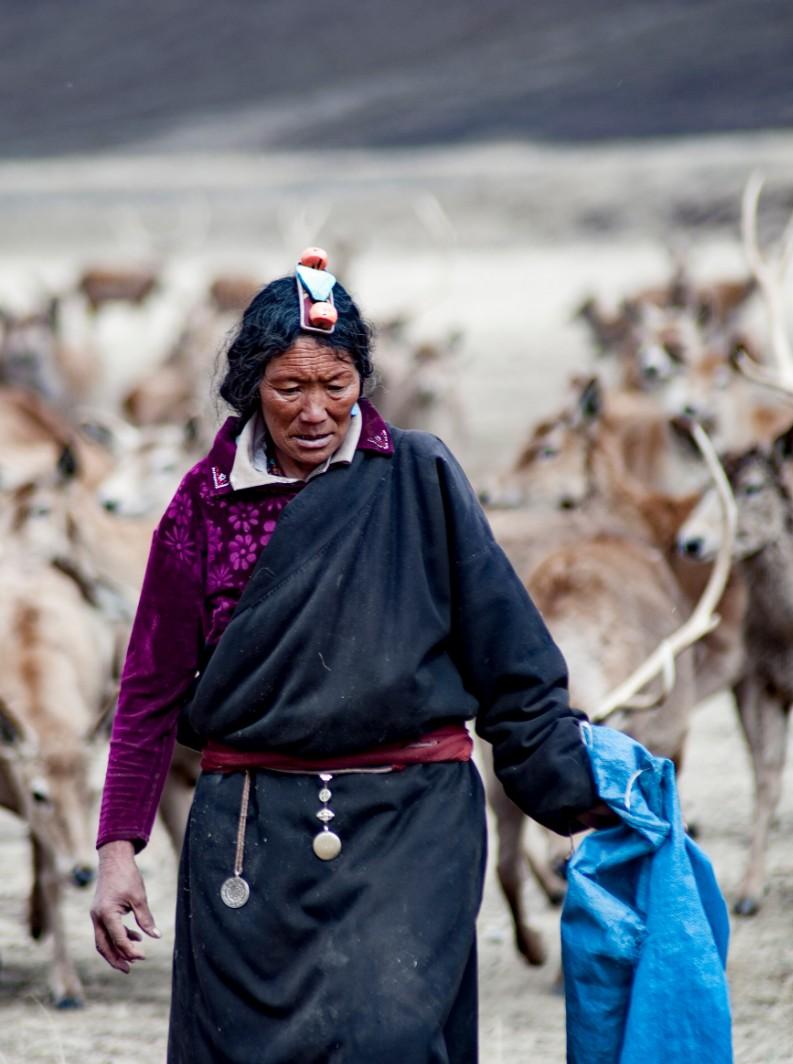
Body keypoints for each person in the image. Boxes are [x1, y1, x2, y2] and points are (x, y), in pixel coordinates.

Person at [91, 249, 610, 1062]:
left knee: (391, 1040)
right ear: (249, 389)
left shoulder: (421, 477)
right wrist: (118, 848)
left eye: (336, 385)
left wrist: (582, 799)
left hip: (414, 824)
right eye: (289, 387)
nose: (314, 411)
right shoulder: (204, 503)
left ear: (363, 383)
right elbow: (149, 691)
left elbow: (514, 666)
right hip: (248, 838)